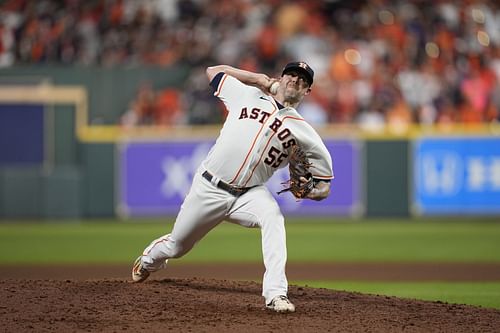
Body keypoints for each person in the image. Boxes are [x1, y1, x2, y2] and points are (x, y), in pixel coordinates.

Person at [131, 61, 334, 313]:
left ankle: (276, 294)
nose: (296, 80)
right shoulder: (247, 94)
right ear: (281, 78)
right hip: (209, 186)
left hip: (249, 194)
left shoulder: (305, 132)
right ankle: (150, 260)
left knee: (273, 217)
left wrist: (312, 193)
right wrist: (257, 79)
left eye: (303, 80)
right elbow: (212, 72)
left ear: (307, 91)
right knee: (177, 246)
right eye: (291, 75)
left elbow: (324, 184)